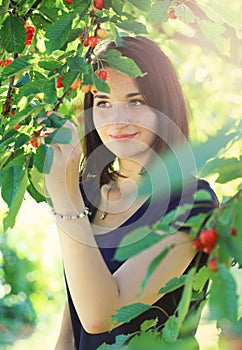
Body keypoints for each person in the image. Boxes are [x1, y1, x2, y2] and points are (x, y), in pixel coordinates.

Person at [45, 36, 218, 350]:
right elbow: (75, 315)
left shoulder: (192, 204)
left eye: (136, 102)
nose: (118, 120)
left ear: (164, 106)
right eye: (103, 103)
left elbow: (104, 315)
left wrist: (63, 192)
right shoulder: (90, 192)